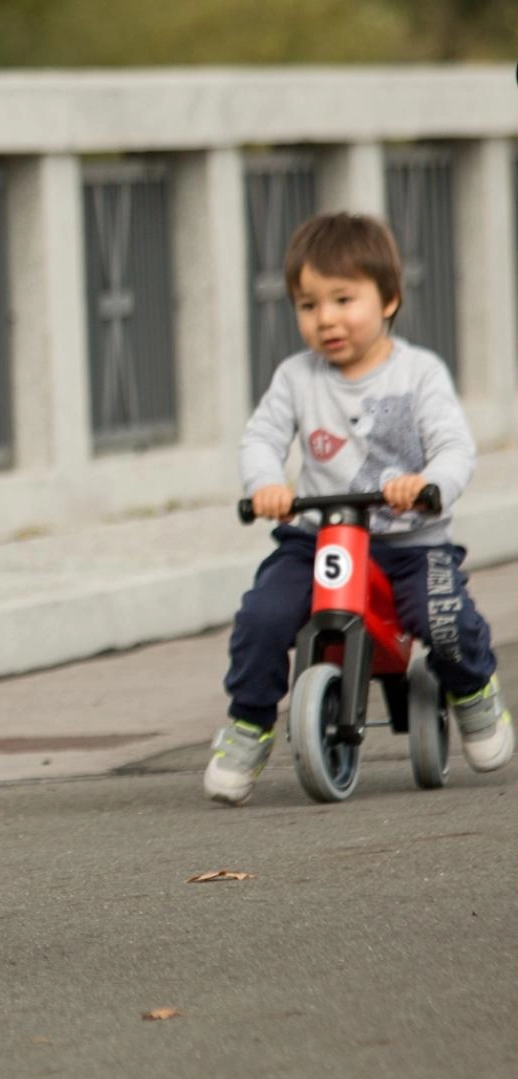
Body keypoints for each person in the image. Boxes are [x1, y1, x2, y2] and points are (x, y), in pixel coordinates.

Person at [205, 211, 513, 806]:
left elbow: (455, 447)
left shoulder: (419, 373)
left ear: (389, 298)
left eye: (343, 300)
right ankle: (248, 724)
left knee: (443, 617)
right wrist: (267, 483)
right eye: (308, 305)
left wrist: (428, 483)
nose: (326, 319)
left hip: (409, 542)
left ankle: (474, 692)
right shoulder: (296, 378)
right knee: (263, 617)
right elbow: (262, 437)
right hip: (317, 539)